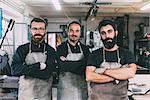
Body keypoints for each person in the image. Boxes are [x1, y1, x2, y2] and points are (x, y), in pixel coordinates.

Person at [86, 19, 137, 100]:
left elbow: (131, 73)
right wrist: (117, 77)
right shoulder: (94, 54)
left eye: (109, 31)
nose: (107, 36)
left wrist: (102, 71)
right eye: (103, 33)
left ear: (115, 33)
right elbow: (89, 76)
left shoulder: (126, 54)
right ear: (100, 35)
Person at [11, 18, 56, 100]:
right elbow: (15, 70)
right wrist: (37, 66)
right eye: (34, 28)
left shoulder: (50, 50)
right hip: (26, 95)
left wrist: (25, 70)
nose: (37, 32)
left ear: (45, 31)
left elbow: (47, 74)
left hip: (44, 95)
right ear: (30, 30)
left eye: (41, 29)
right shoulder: (22, 49)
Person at [57, 21, 90, 100]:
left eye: (77, 31)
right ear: (67, 31)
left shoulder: (85, 49)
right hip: (65, 92)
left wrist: (68, 64)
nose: (74, 33)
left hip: (82, 90)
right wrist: (81, 64)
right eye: (71, 30)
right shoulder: (60, 48)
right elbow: (62, 66)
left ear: (80, 33)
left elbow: (87, 67)